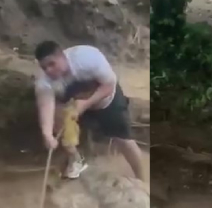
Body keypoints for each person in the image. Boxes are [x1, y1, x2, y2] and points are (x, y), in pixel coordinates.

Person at [34, 40, 145, 182]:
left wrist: (86, 104)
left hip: (106, 100)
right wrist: (47, 135)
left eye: (52, 64)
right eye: (44, 68)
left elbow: (108, 85)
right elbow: (46, 106)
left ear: (62, 56)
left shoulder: (87, 59)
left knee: (123, 140)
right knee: (58, 117)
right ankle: (75, 159)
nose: (49, 70)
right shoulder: (44, 82)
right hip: (73, 104)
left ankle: (142, 180)